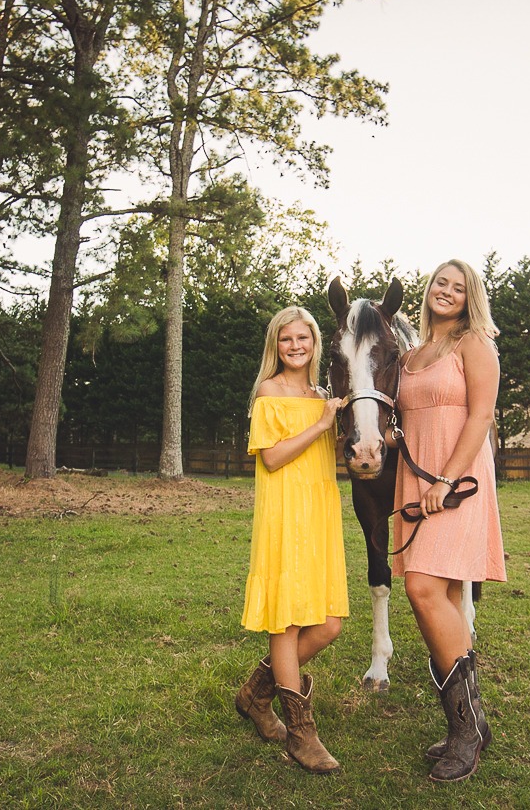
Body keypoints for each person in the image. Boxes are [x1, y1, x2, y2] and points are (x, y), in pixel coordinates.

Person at [391, 259, 508, 783]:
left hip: (457, 483)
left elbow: (481, 416)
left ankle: (466, 730)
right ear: (429, 290)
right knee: (443, 599)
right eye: (441, 282)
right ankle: (468, 724)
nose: (447, 291)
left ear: (469, 298)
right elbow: (407, 417)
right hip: (415, 481)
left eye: (458, 287)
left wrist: (447, 480)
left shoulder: (474, 345)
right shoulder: (412, 354)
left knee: (421, 589)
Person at [234, 305, 349, 774]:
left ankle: (256, 695)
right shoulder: (269, 392)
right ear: (275, 346)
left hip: (320, 512)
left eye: (303, 338)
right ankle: (301, 734)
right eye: (286, 340)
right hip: (284, 513)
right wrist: (321, 425)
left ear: (315, 343)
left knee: (327, 625)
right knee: (287, 622)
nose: (295, 346)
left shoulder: (323, 394)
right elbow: (274, 458)